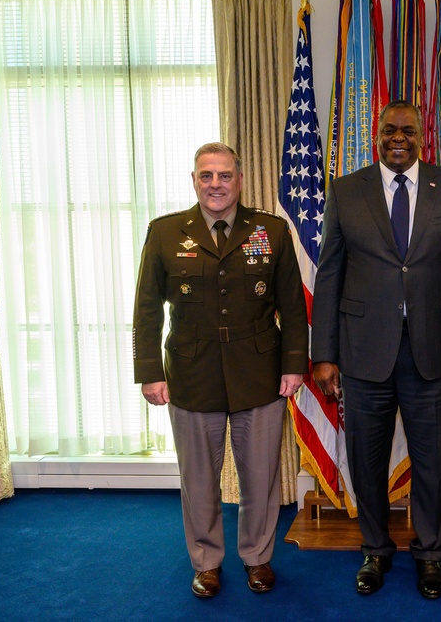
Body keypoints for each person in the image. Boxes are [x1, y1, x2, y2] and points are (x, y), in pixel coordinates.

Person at [311, 100, 441, 600]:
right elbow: (329, 276)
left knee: (431, 460)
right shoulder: (346, 191)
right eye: (390, 130)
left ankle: (430, 553)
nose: (398, 138)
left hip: (433, 352)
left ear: (422, 136)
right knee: (367, 461)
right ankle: (375, 549)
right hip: (363, 352)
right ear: (376, 134)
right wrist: (324, 352)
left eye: (408, 130)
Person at [132, 142, 309, 598]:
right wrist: (150, 371)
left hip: (260, 373)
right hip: (192, 373)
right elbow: (147, 310)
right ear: (194, 180)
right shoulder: (165, 232)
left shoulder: (270, 230)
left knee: (260, 477)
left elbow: (291, 306)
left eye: (225, 175)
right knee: (198, 480)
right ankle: (207, 562)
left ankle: (257, 558)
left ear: (240, 179)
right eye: (206, 175)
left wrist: (294, 366)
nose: (216, 184)